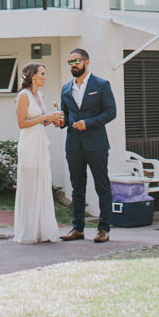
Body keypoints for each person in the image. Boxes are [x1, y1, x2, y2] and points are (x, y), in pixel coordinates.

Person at [59, 47, 117, 243]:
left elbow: (111, 112)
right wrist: (60, 121)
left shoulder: (101, 85)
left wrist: (89, 123)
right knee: (77, 188)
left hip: (96, 144)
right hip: (73, 145)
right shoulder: (66, 89)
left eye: (76, 61)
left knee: (102, 186)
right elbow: (66, 116)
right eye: (70, 62)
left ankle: (104, 228)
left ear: (86, 62)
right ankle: (77, 228)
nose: (73, 65)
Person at [13, 61, 64, 244]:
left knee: (42, 182)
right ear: (33, 76)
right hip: (28, 144)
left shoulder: (40, 95)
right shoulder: (23, 96)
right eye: (42, 73)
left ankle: (42, 230)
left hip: (40, 143)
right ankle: (28, 231)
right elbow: (22, 123)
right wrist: (45, 117)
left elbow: (41, 122)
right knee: (29, 184)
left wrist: (53, 118)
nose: (45, 77)